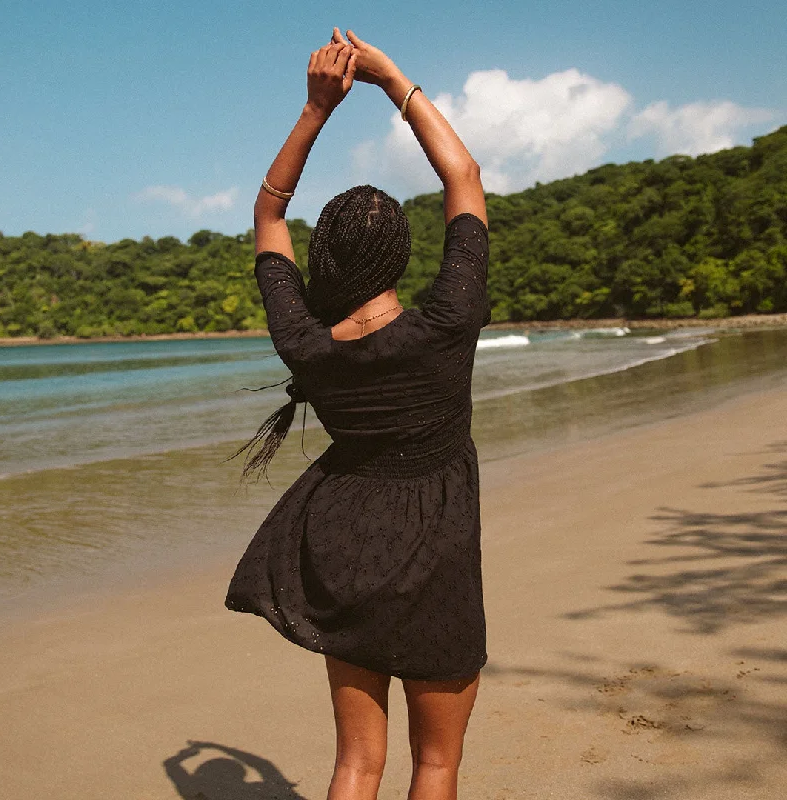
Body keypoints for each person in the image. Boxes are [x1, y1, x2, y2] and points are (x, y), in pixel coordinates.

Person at [225, 28, 489, 800]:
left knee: (354, 765)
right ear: (403, 259)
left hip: (344, 544)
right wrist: (392, 80)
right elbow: (464, 177)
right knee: (435, 765)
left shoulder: (304, 342)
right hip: (437, 556)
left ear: (325, 262)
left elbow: (268, 214)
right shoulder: (448, 321)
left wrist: (315, 110)